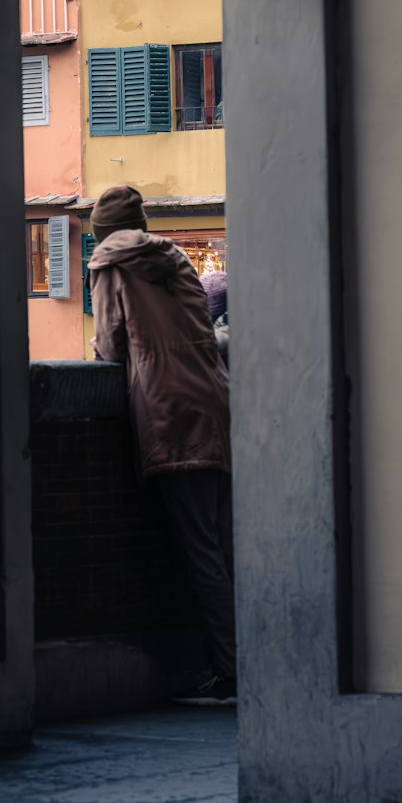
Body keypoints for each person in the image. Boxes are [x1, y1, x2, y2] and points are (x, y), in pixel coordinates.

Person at [88, 185, 236, 706]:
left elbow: (110, 342)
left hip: (168, 407)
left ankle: (230, 671)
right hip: (214, 398)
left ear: (101, 231)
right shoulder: (174, 258)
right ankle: (250, 658)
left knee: (202, 553)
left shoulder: (108, 266)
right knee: (226, 544)